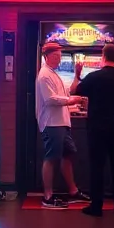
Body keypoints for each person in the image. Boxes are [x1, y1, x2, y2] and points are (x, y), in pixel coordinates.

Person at [70, 43, 114, 217]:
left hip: (97, 128)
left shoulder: (94, 77)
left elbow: (74, 91)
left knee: (96, 167)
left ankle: (96, 206)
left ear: (103, 57)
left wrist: (77, 74)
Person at [34, 42, 86, 209]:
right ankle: (47, 196)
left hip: (62, 123)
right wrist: (72, 101)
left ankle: (73, 191)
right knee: (51, 158)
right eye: (55, 56)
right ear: (46, 56)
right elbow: (50, 100)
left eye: (60, 56)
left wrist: (77, 75)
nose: (58, 59)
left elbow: (69, 91)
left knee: (68, 154)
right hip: (51, 123)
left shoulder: (53, 74)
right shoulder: (44, 75)